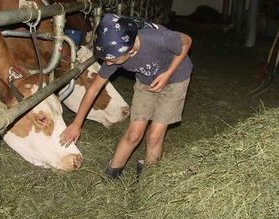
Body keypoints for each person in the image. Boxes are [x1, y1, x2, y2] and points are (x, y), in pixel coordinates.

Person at [60, 13, 192, 178]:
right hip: (146, 82)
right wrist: (77, 124)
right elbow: (93, 90)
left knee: (154, 135)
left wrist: (168, 74)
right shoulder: (114, 54)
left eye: (113, 60)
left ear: (130, 50)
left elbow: (187, 41)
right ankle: (111, 176)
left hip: (175, 79)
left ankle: (149, 179)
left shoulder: (157, 39)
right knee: (134, 133)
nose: (109, 64)